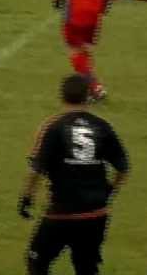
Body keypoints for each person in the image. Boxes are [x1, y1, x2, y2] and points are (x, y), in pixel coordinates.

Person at [18, 74, 130, 275]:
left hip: (62, 212)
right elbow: (123, 168)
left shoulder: (53, 126)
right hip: (96, 213)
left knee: (36, 262)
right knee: (86, 267)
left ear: (61, 97)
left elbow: (36, 169)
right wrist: (109, 192)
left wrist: (26, 198)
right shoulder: (103, 126)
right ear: (88, 97)